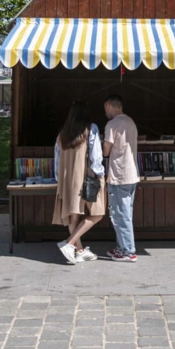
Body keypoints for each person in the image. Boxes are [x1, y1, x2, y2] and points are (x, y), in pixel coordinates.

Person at [53, 100, 105, 264]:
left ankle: (79, 250)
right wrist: (100, 174)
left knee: (73, 216)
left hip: (67, 179)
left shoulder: (62, 134)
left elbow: (57, 159)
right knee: (97, 213)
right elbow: (96, 156)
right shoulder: (91, 129)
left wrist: (58, 179)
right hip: (87, 177)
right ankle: (69, 244)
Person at [102, 95, 139, 262]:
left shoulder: (112, 124)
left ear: (109, 105)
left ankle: (128, 250)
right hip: (131, 174)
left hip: (119, 175)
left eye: (105, 109)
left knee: (119, 214)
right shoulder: (130, 122)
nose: (105, 112)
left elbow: (106, 150)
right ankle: (122, 247)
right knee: (126, 213)